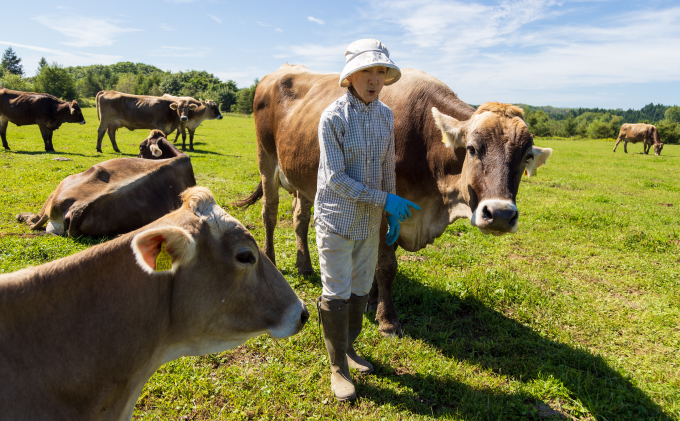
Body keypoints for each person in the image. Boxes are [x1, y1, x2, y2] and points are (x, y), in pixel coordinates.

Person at [314, 39, 420, 402]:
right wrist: (384, 199)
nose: (374, 79)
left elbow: (387, 166)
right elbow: (336, 179)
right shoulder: (333, 118)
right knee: (337, 291)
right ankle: (336, 368)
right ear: (350, 76)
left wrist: (389, 209)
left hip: (369, 221)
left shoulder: (386, 116)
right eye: (366, 72)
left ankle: (349, 349)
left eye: (380, 71)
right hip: (336, 220)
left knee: (361, 288)